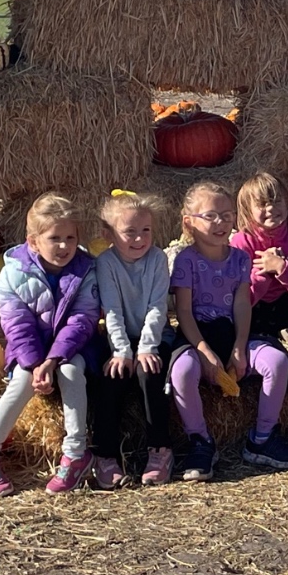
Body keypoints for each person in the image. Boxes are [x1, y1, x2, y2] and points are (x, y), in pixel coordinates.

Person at [169, 181, 288, 481]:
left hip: (235, 332)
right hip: (198, 336)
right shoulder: (185, 261)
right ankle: (201, 441)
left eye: (227, 214)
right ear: (188, 222)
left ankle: (262, 438)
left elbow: (243, 305)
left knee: (277, 361)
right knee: (182, 372)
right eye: (211, 216)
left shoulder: (240, 260)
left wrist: (239, 347)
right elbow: (183, 313)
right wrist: (205, 352)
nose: (221, 222)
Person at [0, 192, 100, 497]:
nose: (64, 246)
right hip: (29, 351)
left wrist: (54, 360)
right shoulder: (11, 275)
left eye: (70, 237)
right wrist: (34, 364)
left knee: (70, 372)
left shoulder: (86, 270)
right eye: (55, 238)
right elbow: (18, 327)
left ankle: (75, 454)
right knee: (21, 380)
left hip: (74, 348)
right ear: (33, 241)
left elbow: (83, 320)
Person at [91, 191, 173, 488]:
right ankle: (105, 455)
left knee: (148, 373)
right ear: (108, 234)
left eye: (146, 231)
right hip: (121, 338)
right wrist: (122, 350)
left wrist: (147, 347)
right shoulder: (106, 263)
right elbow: (111, 310)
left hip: (155, 335)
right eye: (130, 232)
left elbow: (157, 307)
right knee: (110, 378)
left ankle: (160, 449)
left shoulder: (158, 259)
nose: (139, 239)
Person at [230, 171, 288, 345]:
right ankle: (265, 342)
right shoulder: (241, 242)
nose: (270, 208)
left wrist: (282, 268)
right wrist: (263, 273)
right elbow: (237, 295)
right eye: (262, 204)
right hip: (256, 305)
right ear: (248, 210)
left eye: (277, 201)